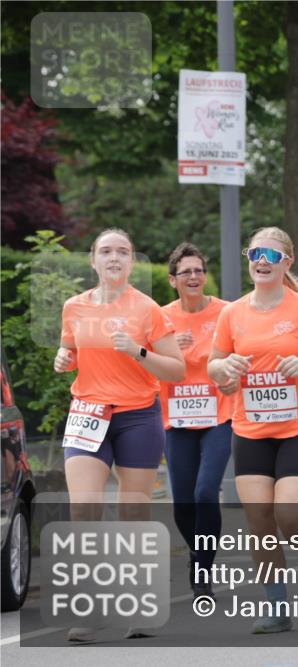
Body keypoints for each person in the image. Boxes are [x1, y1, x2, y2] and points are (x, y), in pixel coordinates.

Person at [207, 227, 298, 633]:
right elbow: (214, 365)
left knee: (290, 514)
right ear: (248, 260)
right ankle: (277, 608)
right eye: (255, 253)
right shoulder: (232, 313)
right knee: (260, 522)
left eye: (271, 254)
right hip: (250, 430)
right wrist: (225, 370)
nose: (262, 261)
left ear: (287, 262)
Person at [56, 229, 185, 641]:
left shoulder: (147, 309)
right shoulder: (73, 308)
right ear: (93, 260)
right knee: (83, 509)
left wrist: (138, 351)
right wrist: (64, 359)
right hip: (88, 412)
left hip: (137, 417)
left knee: (133, 514)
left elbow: (176, 370)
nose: (114, 258)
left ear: (132, 262)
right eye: (106, 252)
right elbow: (71, 354)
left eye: (123, 252)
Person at [159, 243, 236, 600]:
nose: (194, 276)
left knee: (207, 492)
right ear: (173, 279)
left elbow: (242, 352)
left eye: (198, 270)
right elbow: (141, 365)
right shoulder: (161, 319)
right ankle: (196, 551)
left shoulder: (225, 313)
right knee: (183, 502)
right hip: (176, 418)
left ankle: (202, 569)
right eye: (186, 272)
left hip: (218, 414)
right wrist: (168, 346)